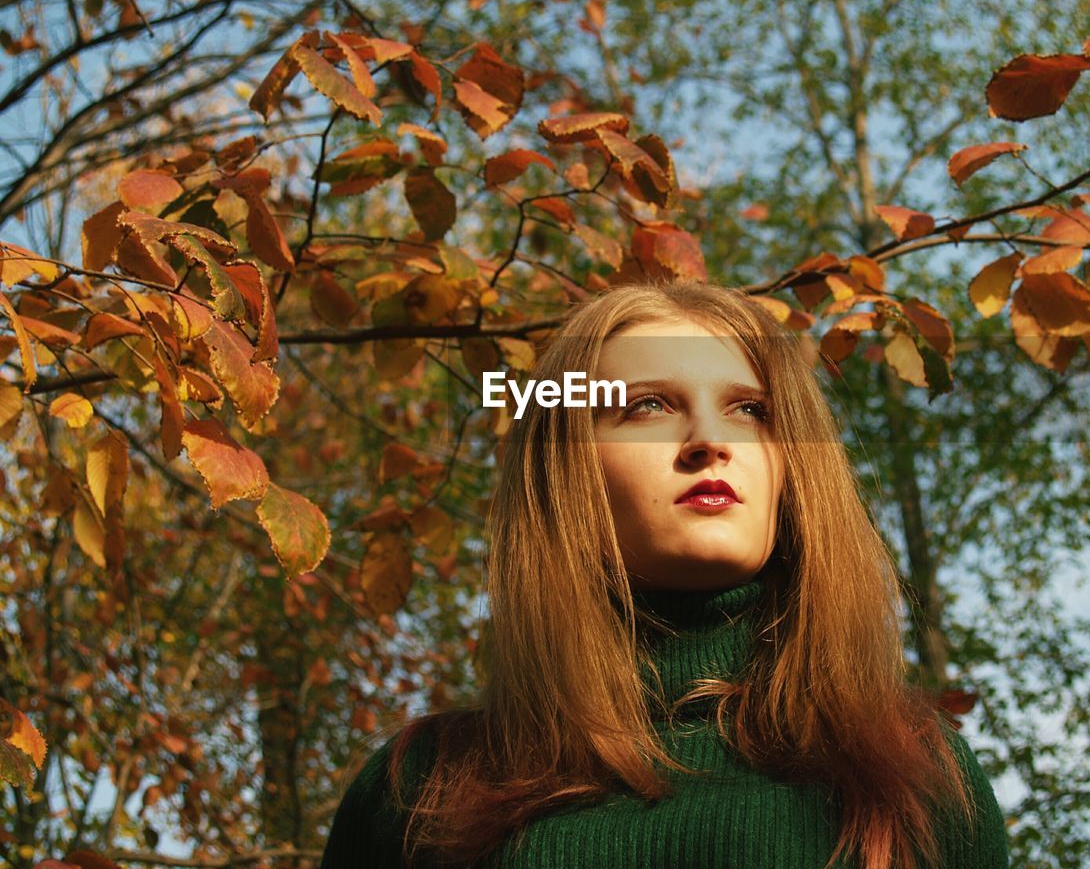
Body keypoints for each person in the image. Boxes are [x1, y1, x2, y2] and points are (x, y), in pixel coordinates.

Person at [319, 280, 1010, 869]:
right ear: (564, 471)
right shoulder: (419, 789)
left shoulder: (916, 774)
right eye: (647, 406)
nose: (711, 441)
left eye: (750, 410)